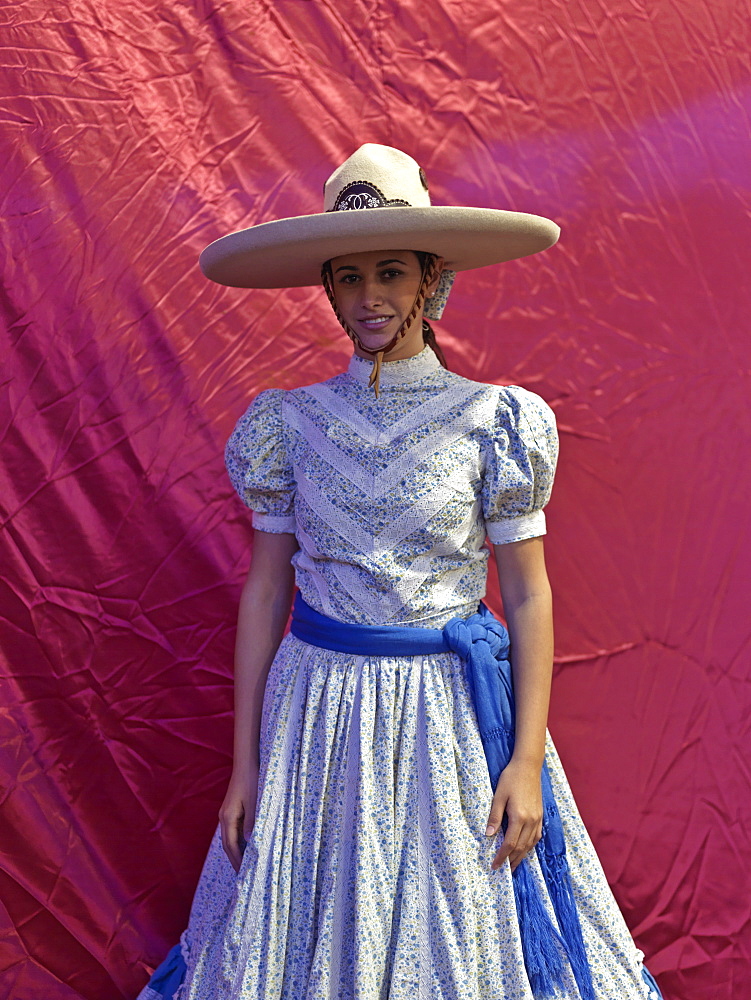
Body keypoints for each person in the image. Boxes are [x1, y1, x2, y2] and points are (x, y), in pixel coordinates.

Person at [138, 144, 662, 1000]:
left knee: (454, 926)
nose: (369, 295)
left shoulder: (493, 421)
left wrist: (524, 759)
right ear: (329, 289)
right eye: (347, 276)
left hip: (445, 718)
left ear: (430, 280)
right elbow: (265, 591)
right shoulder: (289, 424)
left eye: (389, 271)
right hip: (316, 712)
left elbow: (526, 593)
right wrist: (245, 766)